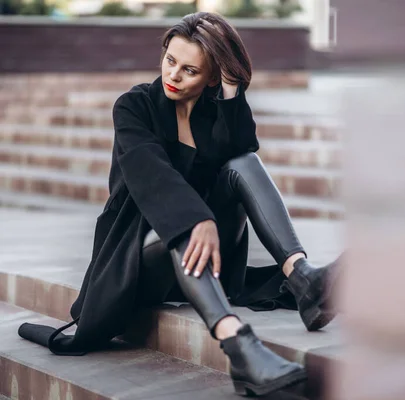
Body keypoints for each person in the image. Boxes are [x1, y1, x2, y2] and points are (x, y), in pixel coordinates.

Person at [17, 11, 339, 397]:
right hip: (138, 257)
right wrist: (196, 218)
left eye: (190, 70)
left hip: (204, 261)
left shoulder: (212, 109)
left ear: (210, 77)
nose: (173, 75)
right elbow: (150, 173)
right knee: (181, 221)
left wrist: (233, 91)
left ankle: (301, 276)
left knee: (243, 163)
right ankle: (238, 345)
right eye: (171, 60)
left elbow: (241, 153)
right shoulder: (134, 106)